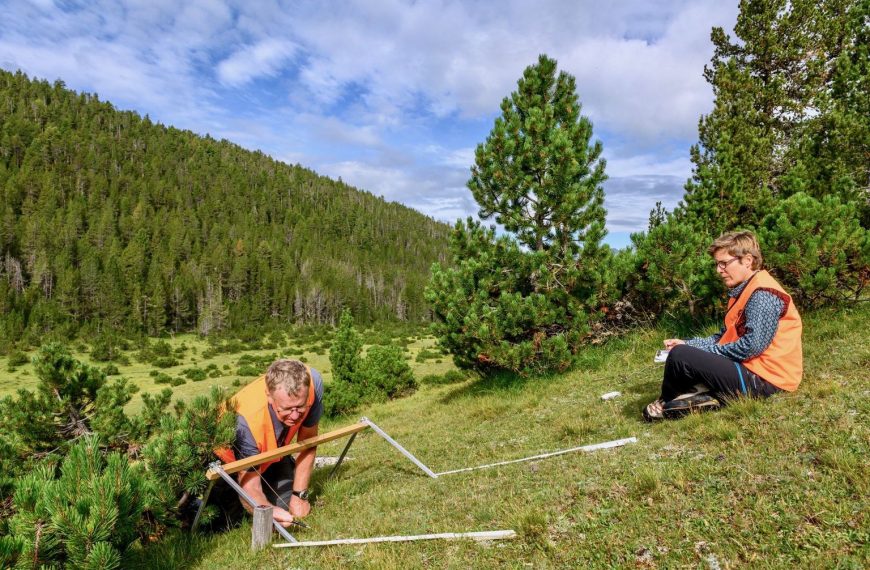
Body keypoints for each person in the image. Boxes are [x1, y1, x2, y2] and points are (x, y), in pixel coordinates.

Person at [644, 230, 803, 421]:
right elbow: (723, 337)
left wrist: (697, 352)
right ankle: (695, 398)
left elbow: (751, 348)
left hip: (766, 380)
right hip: (750, 369)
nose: (718, 270)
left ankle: (670, 402)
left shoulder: (763, 294)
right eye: (717, 264)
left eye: (724, 263)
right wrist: (690, 344)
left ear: (747, 260)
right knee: (682, 351)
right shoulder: (744, 290)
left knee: (680, 355)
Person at [213, 359, 324, 527]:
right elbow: (250, 485)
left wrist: (299, 496)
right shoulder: (244, 422)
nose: (295, 416)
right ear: (269, 396)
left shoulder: (313, 383)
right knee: (225, 524)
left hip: (272, 455)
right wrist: (267, 511)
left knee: (286, 509)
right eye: (286, 409)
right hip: (227, 463)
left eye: (300, 407)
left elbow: (308, 442)